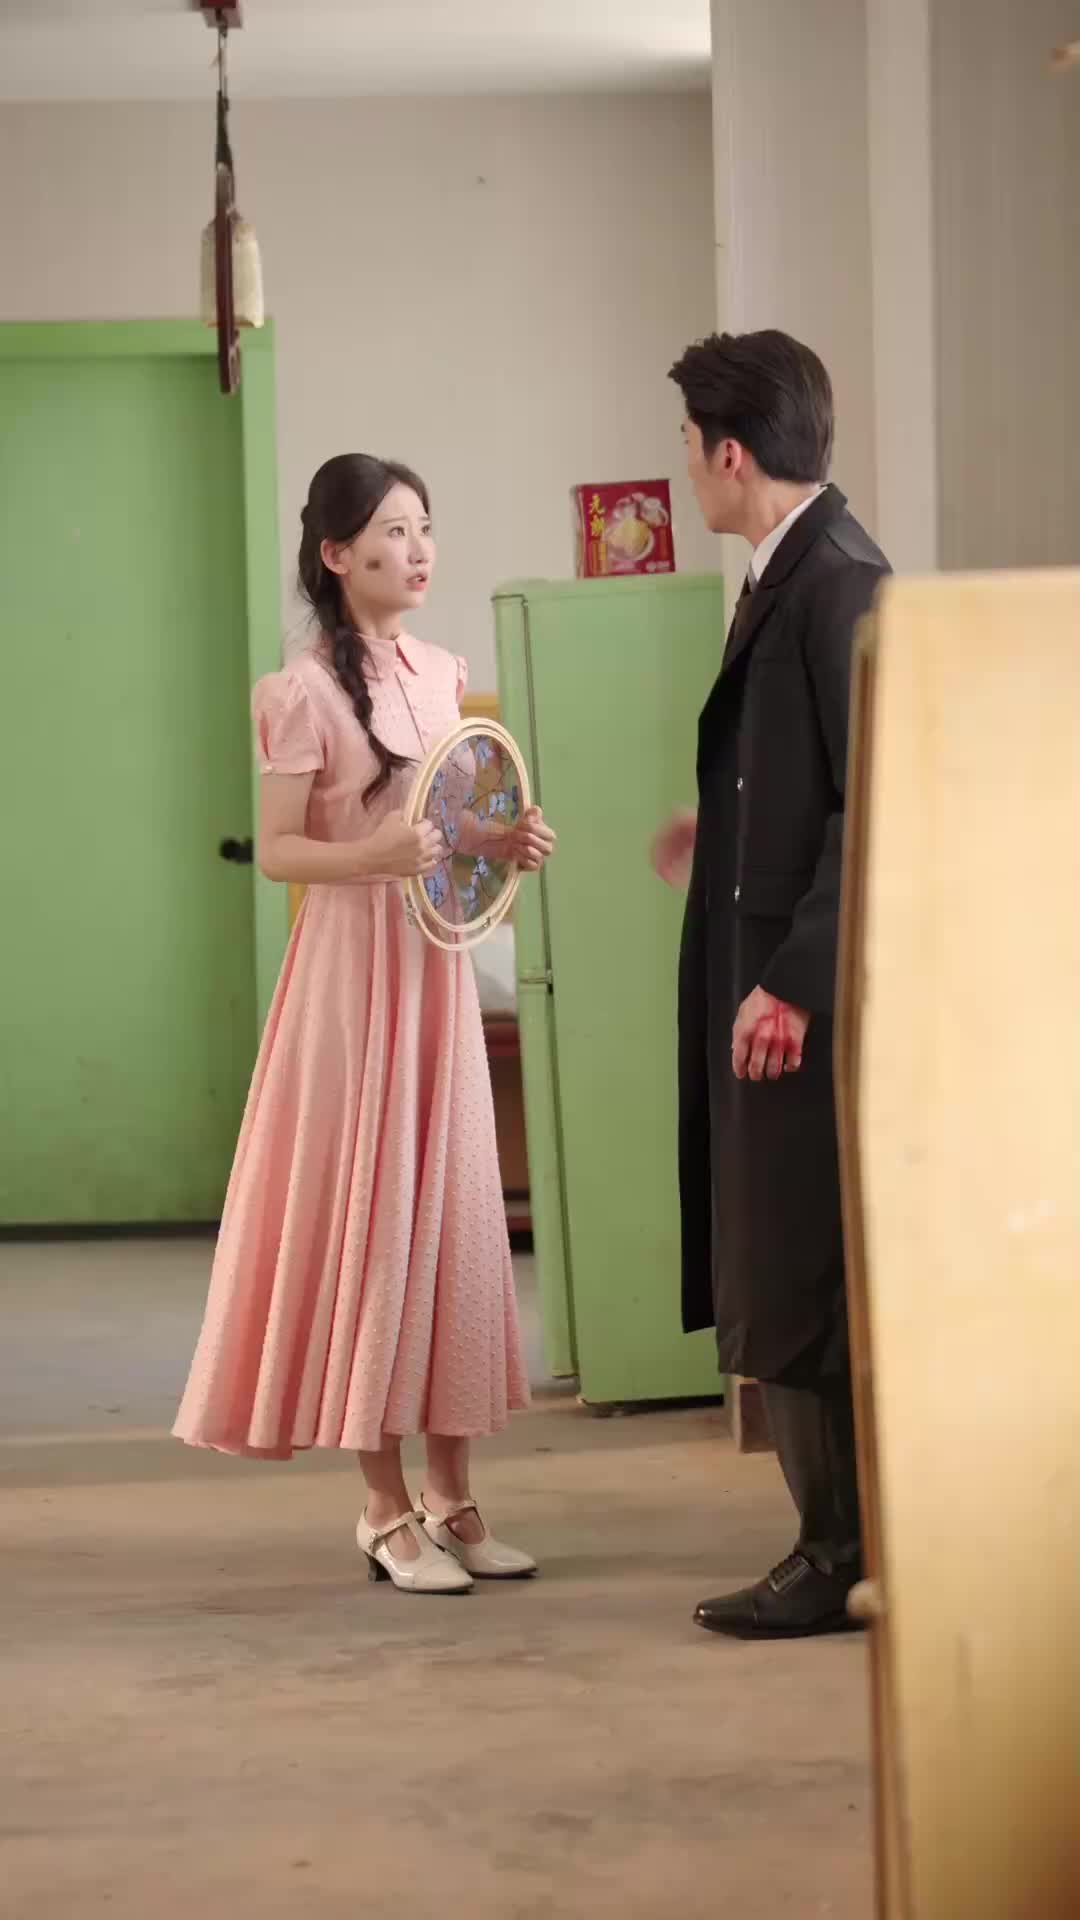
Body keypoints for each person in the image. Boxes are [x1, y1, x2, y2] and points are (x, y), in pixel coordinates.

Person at [174, 453, 556, 1595]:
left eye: (425, 526)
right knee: (374, 1223)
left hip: (434, 971)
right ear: (337, 554)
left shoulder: (445, 671)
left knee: (452, 1221)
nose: (418, 549)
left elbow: (445, 818)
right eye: (392, 530)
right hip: (350, 979)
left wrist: (500, 840)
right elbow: (280, 851)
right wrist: (374, 858)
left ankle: (455, 1496)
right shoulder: (298, 691)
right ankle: (384, 1507)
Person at [654, 330, 890, 1638]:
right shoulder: (789, 572)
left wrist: (793, 980)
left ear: (731, 454)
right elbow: (801, 778)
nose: (688, 470)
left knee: (797, 1263)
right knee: (773, 1247)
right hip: (761, 965)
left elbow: (875, 801)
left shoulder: (836, 578)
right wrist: (724, 831)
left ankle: (836, 1551)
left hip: (798, 993)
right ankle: (832, 1541)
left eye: (690, 448)